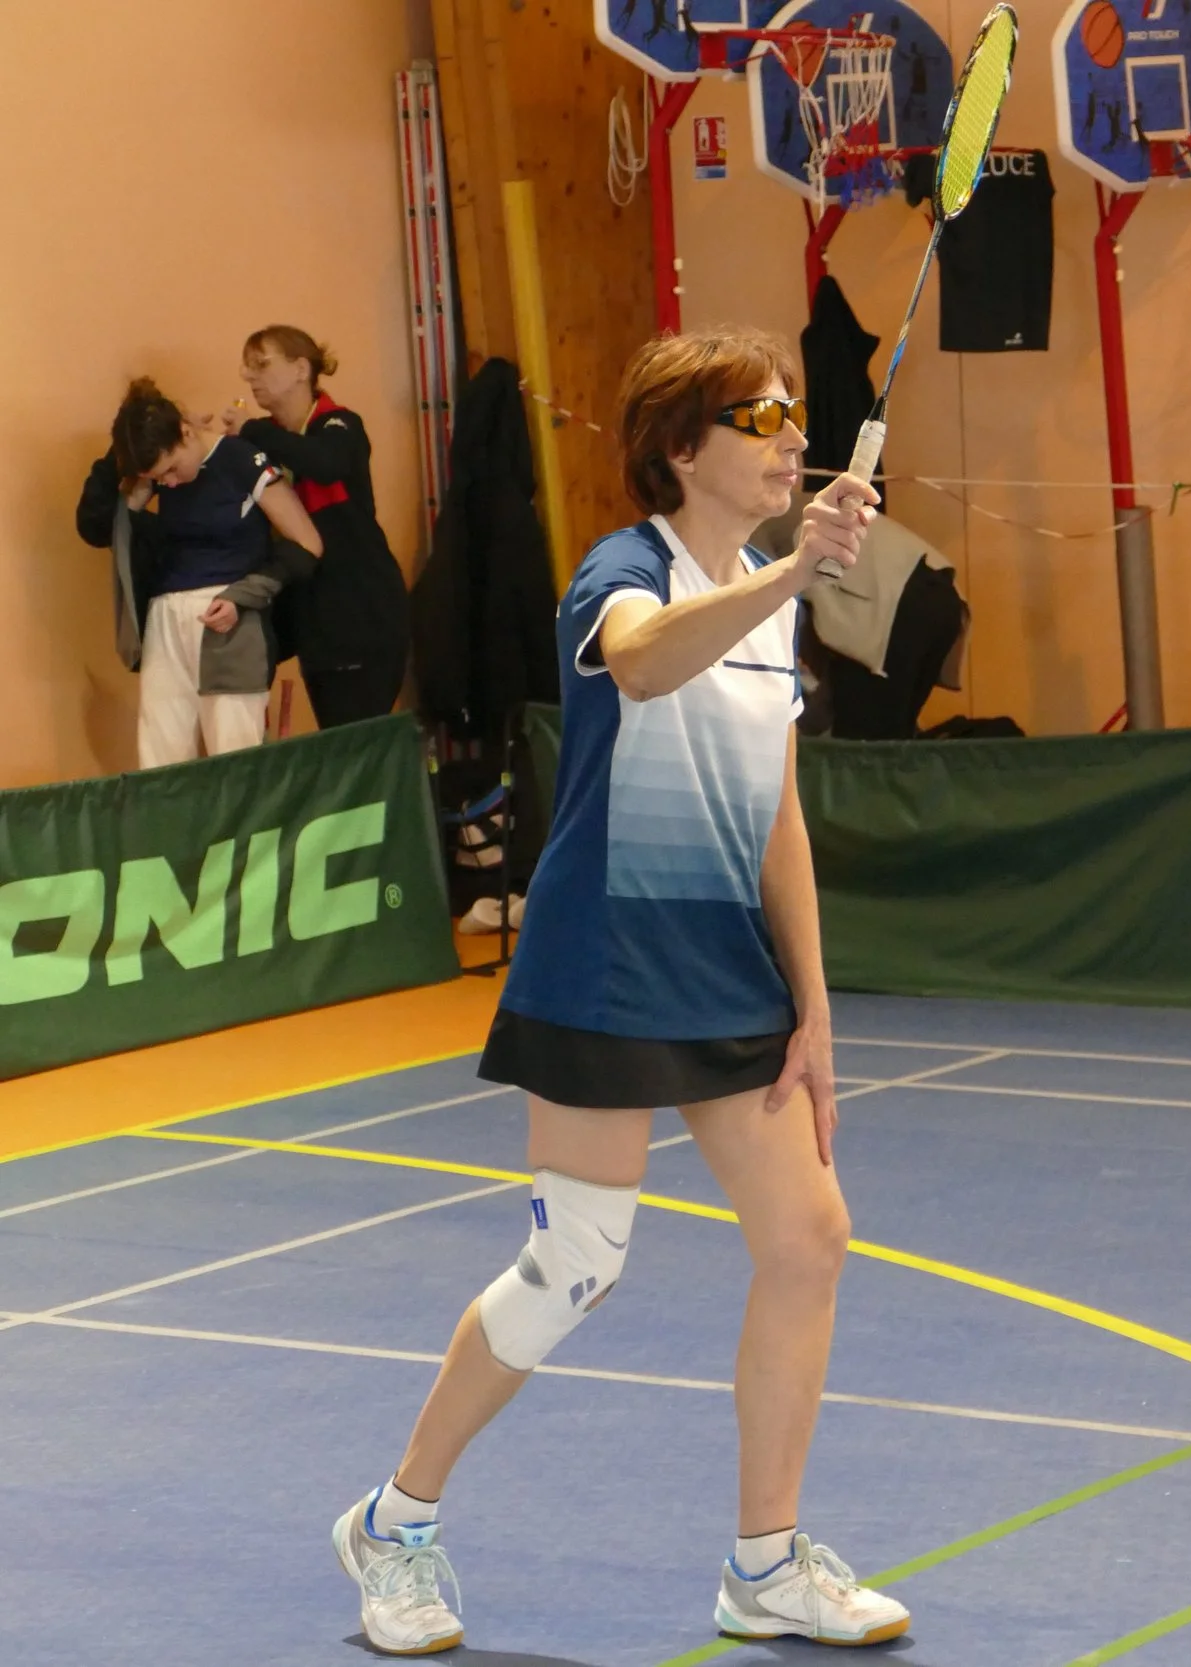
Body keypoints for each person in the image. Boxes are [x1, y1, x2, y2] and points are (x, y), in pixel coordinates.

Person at [331, 326, 900, 1656]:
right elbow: (642, 660)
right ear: (681, 449)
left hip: (727, 970)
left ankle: (764, 1563)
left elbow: (777, 814)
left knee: (809, 1236)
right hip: (602, 961)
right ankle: (394, 1523)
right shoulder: (623, 571)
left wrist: (815, 1006)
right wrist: (795, 571)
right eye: (758, 417)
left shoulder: (766, 598)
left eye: (793, 413)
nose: (789, 437)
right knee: (573, 1265)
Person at [75, 379, 325, 766]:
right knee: (161, 759)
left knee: (235, 755)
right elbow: (96, 528)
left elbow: (308, 543)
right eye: (159, 478)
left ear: (187, 432)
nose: (170, 483)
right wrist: (125, 461)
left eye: (172, 469)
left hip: (231, 620)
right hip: (165, 621)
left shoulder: (239, 458)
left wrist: (245, 595)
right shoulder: (157, 476)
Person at [228, 325, 412, 727]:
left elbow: (325, 463)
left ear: (301, 369)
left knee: (358, 744)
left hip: (364, 616)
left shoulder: (339, 425)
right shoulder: (266, 441)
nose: (248, 375)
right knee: (336, 744)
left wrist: (251, 431)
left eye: (261, 364)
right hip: (316, 627)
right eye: (246, 367)